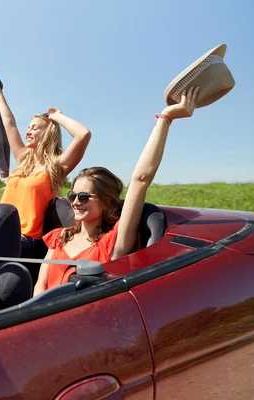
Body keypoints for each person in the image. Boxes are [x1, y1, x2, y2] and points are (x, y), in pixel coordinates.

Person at [34, 87, 200, 296]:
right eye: (73, 195)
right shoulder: (60, 237)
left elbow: (141, 179)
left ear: (106, 203)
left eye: (84, 197)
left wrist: (166, 118)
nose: (76, 202)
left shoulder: (112, 244)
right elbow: (40, 286)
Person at [0, 70, 91, 281]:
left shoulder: (55, 167)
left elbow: (83, 135)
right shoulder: (23, 160)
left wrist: (57, 117)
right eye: (28, 127)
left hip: (26, 240)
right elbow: (9, 123)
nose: (28, 131)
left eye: (35, 128)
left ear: (47, 133)